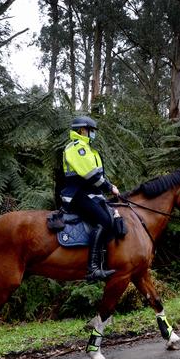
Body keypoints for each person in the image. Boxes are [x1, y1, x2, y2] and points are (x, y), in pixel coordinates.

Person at [60, 115, 119, 281]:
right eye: (90, 130)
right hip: (77, 194)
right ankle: (92, 269)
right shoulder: (77, 148)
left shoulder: (89, 149)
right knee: (104, 221)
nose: (92, 133)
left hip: (90, 194)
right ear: (81, 130)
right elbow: (90, 174)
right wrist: (109, 187)